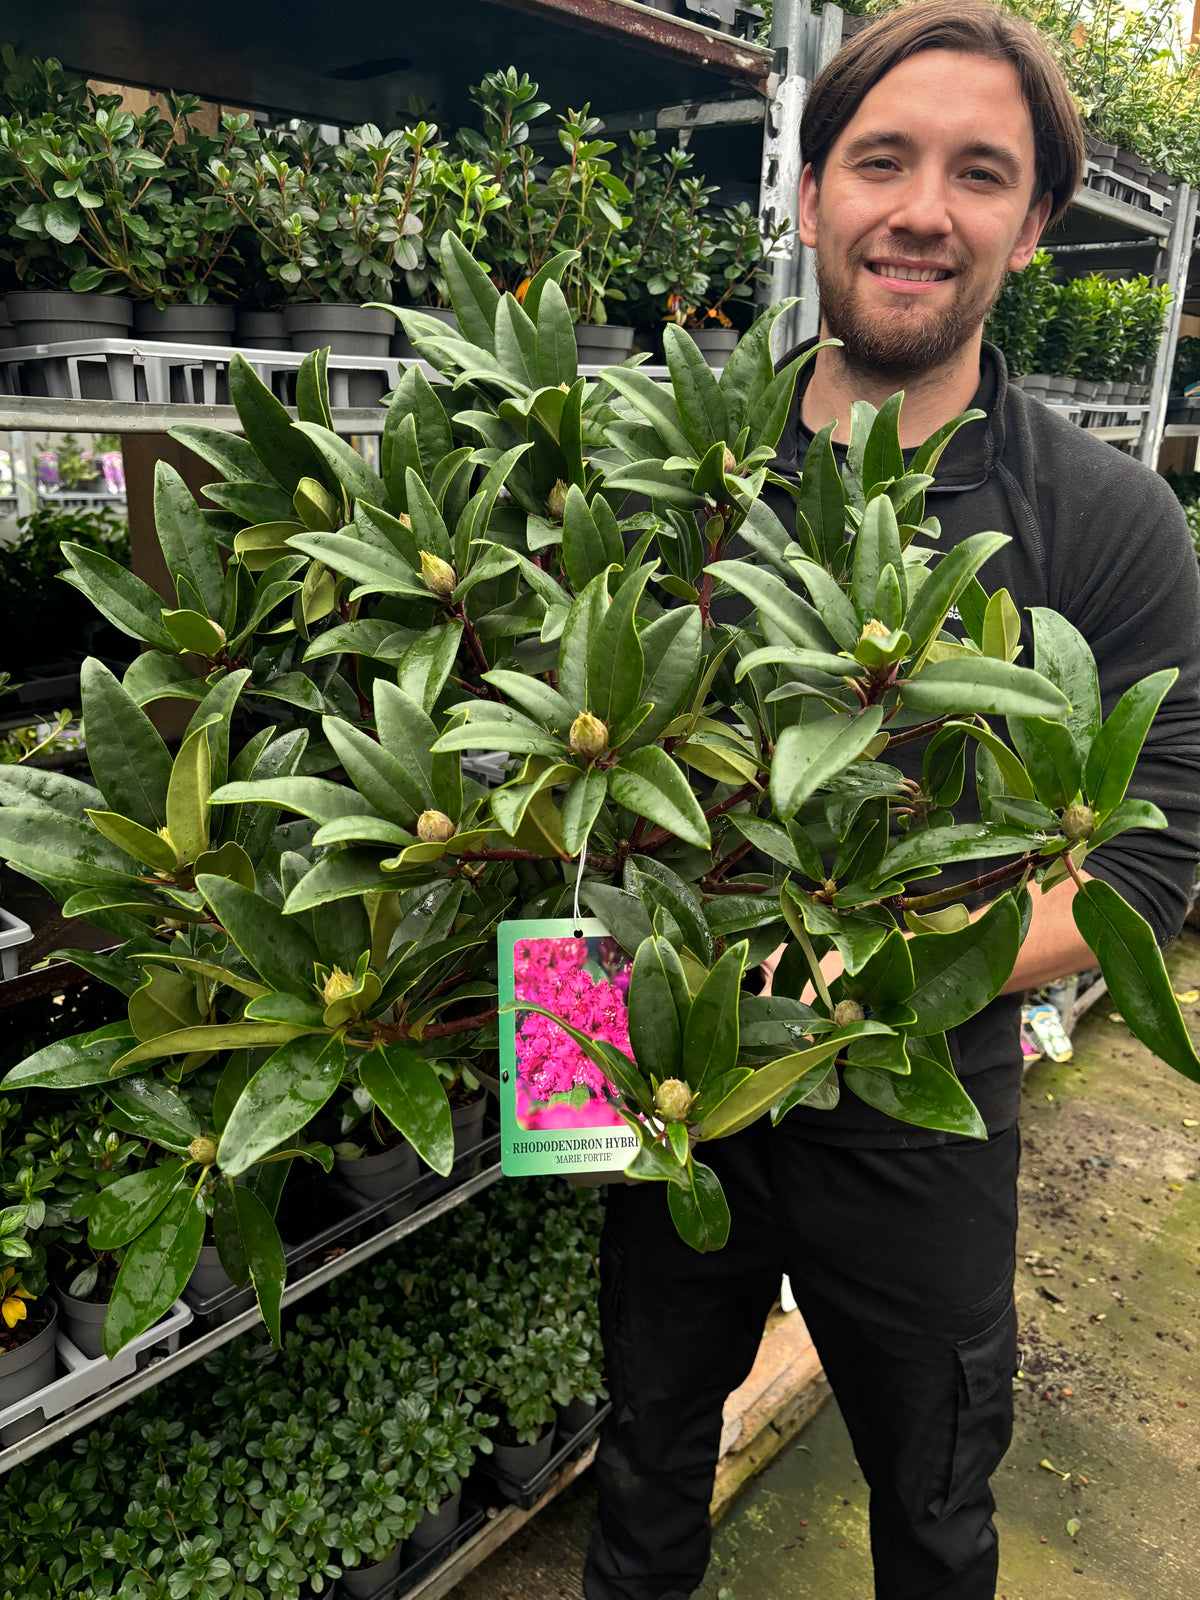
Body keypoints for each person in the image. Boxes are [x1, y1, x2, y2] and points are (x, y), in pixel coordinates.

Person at [583, 4, 1200, 1598]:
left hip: (917, 1103)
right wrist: (550, 1048)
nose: (922, 207)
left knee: (933, 1499)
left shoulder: (1109, 523)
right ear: (807, 194)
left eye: (979, 172)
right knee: (643, 1451)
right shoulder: (663, 470)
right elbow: (552, 782)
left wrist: (871, 989)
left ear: (1035, 222)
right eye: (882, 159)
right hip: (662, 1089)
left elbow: (1146, 865)